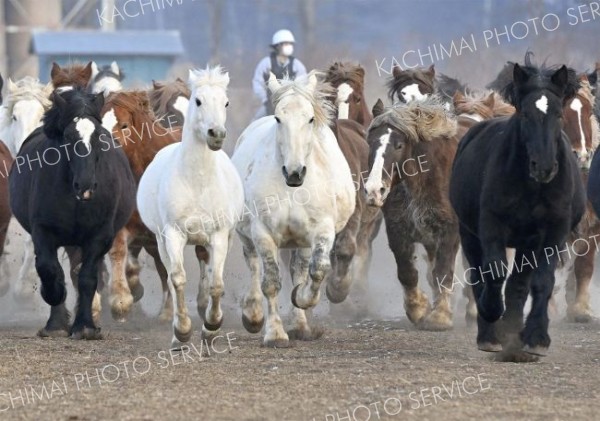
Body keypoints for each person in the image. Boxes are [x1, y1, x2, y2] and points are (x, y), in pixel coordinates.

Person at [252, 29, 307, 119]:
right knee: (255, 121)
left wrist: (296, 99)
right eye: (285, 44)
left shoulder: (297, 65)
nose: (289, 46)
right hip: (270, 103)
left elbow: (303, 84)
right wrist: (265, 99)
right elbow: (258, 82)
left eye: (290, 44)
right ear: (277, 46)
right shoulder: (266, 63)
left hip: (292, 104)